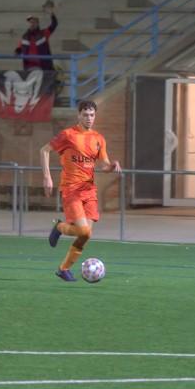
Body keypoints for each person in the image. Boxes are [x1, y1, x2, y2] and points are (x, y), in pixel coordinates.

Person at [41, 100, 122, 282]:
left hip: (89, 191)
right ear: (78, 115)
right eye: (85, 115)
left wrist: (112, 165)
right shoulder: (68, 135)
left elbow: (104, 165)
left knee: (86, 235)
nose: (89, 118)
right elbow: (44, 151)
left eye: (92, 115)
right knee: (83, 231)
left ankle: (63, 269)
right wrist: (47, 177)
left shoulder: (98, 139)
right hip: (71, 190)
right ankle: (59, 227)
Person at [16, 4, 58, 71]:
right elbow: (19, 48)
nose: (32, 24)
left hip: (43, 67)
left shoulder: (44, 33)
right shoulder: (25, 36)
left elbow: (54, 24)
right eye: (30, 22)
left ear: (37, 24)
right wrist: (17, 51)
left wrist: (51, 14)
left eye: (34, 22)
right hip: (28, 67)